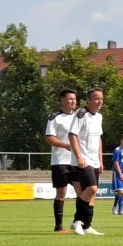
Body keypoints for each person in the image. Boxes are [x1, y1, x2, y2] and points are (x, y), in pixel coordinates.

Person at [69, 88, 105, 236]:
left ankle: (87, 225)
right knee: (92, 188)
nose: (100, 101)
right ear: (88, 100)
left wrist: (101, 160)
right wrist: (79, 157)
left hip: (95, 160)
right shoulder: (80, 114)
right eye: (96, 98)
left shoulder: (99, 117)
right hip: (83, 160)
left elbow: (98, 139)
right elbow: (72, 135)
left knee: (92, 194)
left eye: (101, 99)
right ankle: (77, 221)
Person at [45, 89, 81, 233]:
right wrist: (65, 145)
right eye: (70, 98)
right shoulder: (55, 117)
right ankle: (59, 225)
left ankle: (79, 222)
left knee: (82, 191)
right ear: (62, 101)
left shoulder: (80, 116)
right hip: (60, 160)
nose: (73, 101)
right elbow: (49, 137)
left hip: (77, 160)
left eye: (74, 99)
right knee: (62, 192)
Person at [112, 134, 123, 216]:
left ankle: (121, 210)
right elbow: (115, 163)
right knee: (120, 191)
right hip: (118, 172)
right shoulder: (117, 150)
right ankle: (115, 206)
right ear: (121, 140)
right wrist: (120, 173)